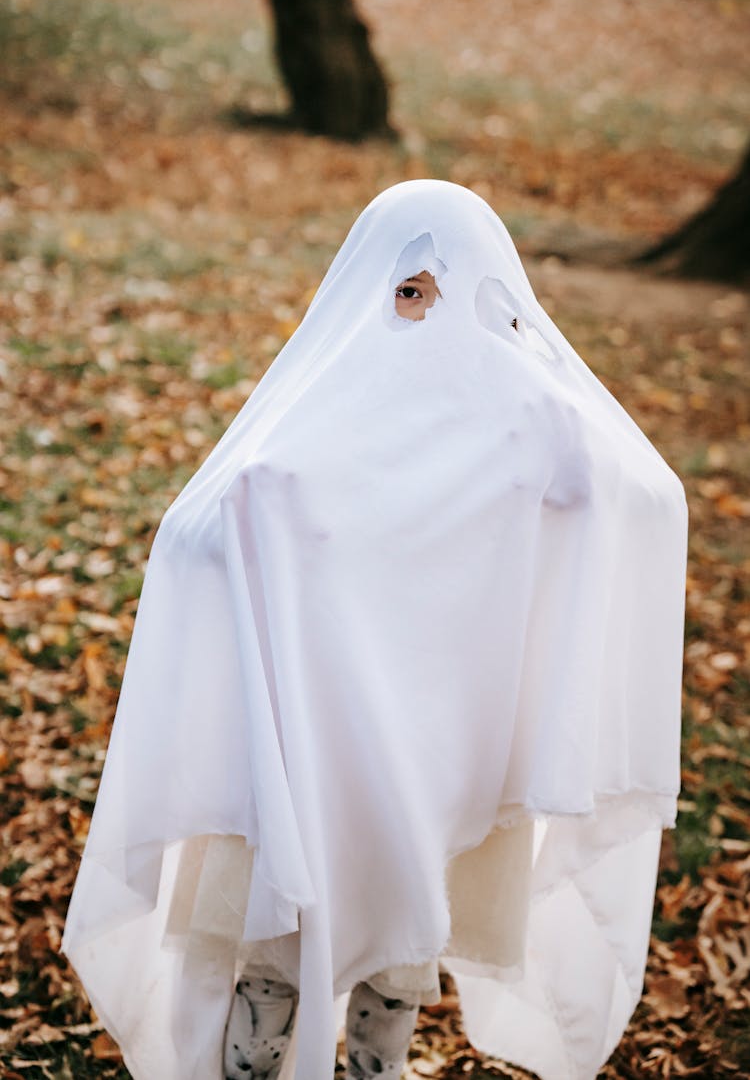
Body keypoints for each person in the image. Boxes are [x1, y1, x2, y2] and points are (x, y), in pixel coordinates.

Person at [62, 180, 688, 1080]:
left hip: (456, 750)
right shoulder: (317, 425)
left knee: (401, 969)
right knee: (275, 960)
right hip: (319, 748)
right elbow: (208, 528)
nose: (428, 315)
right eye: (407, 292)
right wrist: (252, 514)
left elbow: (638, 493)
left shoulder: (530, 416)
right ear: (368, 295)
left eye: (449, 291)